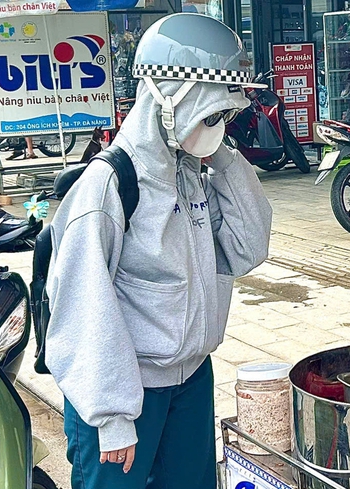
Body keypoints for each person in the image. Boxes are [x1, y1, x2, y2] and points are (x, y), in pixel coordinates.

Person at [44, 13, 272, 489]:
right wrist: (111, 416)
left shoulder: (189, 174)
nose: (219, 127)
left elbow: (248, 247)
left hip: (190, 382)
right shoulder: (109, 185)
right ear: (168, 100)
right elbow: (82, 305)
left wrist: (223, 155)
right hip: (124, 394)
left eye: (225, 117)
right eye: (210, 115)